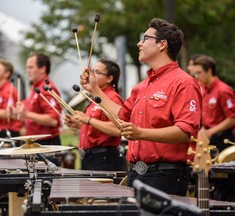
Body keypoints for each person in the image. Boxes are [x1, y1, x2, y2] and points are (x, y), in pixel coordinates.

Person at [80, 18, 202, 196]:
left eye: (145, 38)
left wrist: (140, 133)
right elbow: (122, 115)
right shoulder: (142, 86)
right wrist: (94, 89)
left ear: (162, 44)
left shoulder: (184, 83)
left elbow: (185, 132)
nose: (139, 43)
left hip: (165, 175)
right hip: (136, 173)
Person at [65, 59, 124, 171]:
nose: (91, 76)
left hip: (103, 159)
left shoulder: (112, 98)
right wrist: (79, 124)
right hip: (90, 157)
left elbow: (117, 129)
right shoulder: (95, 98)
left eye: (97, 72)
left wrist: (88, 120)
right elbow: (98, 129)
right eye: (92, 72)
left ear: (109, 78)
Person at [13, 53, 62, 145]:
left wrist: (26, 114)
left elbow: (53, 120)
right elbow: (31, 110)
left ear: (43, 69)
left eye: (31, 67)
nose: (28, 71)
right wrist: (14, 111)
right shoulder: (37, 88)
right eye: (27, 67)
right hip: (36, 141)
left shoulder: (46, 89)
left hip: (46, 143)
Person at [192, 55, 235, 153]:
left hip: (223, 139)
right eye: (195, 74)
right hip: (209, 138)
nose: (197, 77)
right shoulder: (205, 90)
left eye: (199, 73)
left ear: (209, 71)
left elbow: (232, 119)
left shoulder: (223, 90)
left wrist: (210, 131)